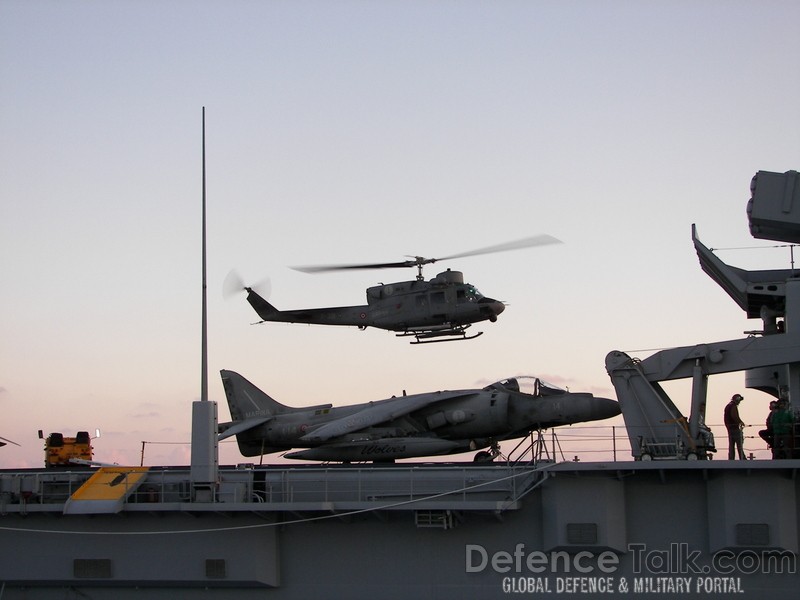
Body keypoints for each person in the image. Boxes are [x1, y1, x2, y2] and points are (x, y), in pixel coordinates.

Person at [723, 393, 746, 460]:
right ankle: (742, 458)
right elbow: (734, 416)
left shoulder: (728, 406)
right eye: (739, 400)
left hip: (729, 427)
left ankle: (731, 458)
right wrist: (740, 422)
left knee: (731, 444)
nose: (739, 402)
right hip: (734, 427)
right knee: (739, 444)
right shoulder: (733, 406)